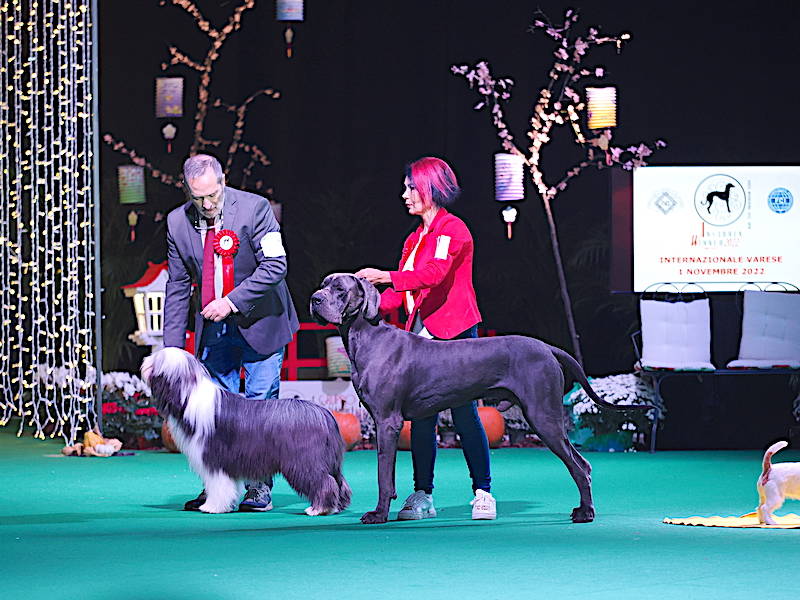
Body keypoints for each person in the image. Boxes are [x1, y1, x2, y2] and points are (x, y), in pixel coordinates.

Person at [356, 156, 496, 520]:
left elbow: (432, 275)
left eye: (410, 187)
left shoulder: (454, 230)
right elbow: (402, 295)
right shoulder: (414, 238)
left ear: (432, 188)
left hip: (454, 331)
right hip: (420, 334)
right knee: (422, 416)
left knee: (465, 412)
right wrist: (361, 302)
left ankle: (483, 492)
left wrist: (384, 276)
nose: (404, 195)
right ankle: (422, 494)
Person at [163, 154, 299, 512]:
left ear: (222, 183)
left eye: (212, 195)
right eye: (198, 198)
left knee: (257, 406)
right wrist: (172, 353)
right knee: (214, 415)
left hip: (262, 322)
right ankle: (218, 487)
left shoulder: (255, 209)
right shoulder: (178, 222)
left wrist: (232, 302)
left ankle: (258, 487)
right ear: (186, 190)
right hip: (214, 332)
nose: (207, 205)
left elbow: (276, 265)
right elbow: (177, 286)